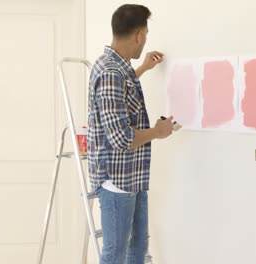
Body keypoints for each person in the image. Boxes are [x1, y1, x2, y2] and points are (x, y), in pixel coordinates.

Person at [87, 4, 174, 264]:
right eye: (145, 34)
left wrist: (143, 68)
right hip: (117, 181)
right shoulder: (112, 72)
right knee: (115, 256)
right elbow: (121, 139)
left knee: (137, 251)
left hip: (132, 176)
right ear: (138, 35)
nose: (145, 40)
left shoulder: (116, 66)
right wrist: (157, 132)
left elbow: (119, 93)